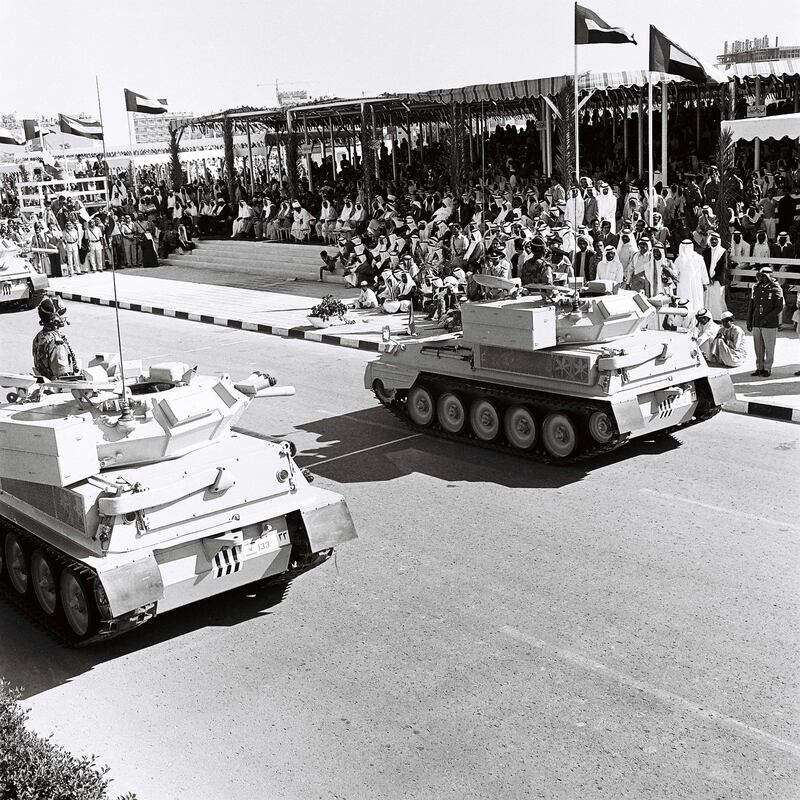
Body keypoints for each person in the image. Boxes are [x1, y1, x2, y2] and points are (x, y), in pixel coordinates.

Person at [747, 266, 784, 377]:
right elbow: (752, 305)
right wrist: (749, 321)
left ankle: (767, 368)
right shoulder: (756, 287)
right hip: (757, 321)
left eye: (764, 276)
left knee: (769, 347)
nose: (761, 278)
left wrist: (766, 319)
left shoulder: (776, 289)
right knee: (758, 347)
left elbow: (779, 307)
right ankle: (759, 367)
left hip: (769, 324)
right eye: (760, 276)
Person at [32, 296, 79, 380]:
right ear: (55, 319)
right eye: (62, 314)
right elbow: (63, 377)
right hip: (57, 388)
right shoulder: (57, 344)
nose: (64, 317)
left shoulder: (39, 336)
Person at [674, 239, 709, 329]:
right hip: (683, 286)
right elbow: (674, 275)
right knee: (685, 303)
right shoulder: (679, 260)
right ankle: (684, 323)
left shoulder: (698, 258)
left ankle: (695, 324)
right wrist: (704, 283)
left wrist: (704, 283)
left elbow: (703, 272)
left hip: (695, 286)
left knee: (695, 304)